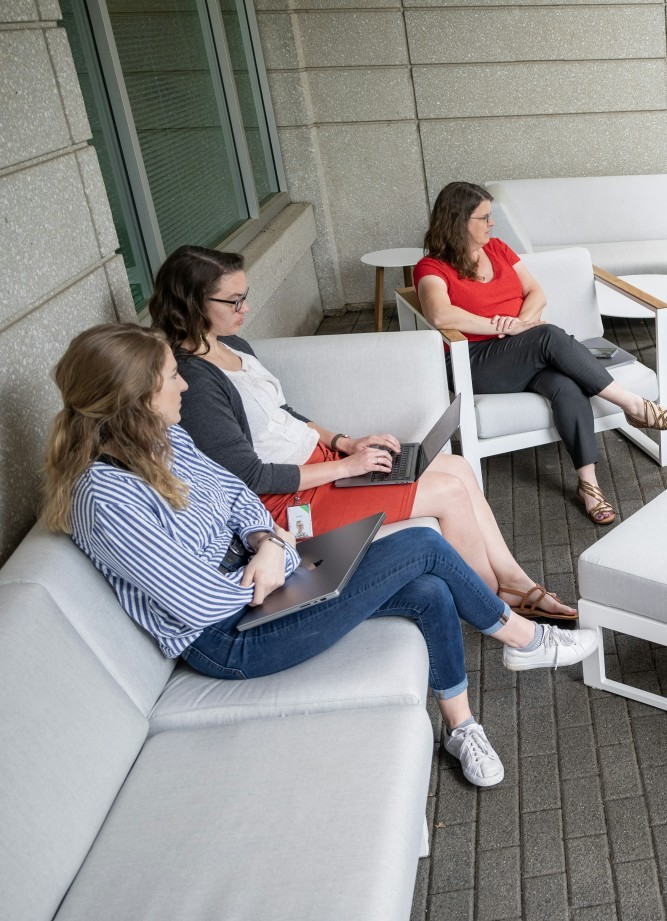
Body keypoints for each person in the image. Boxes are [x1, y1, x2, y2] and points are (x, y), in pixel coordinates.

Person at [41, 324, 601, 787]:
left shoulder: (166, 441)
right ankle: (524, 641)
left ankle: (460, 725)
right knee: (423, 545)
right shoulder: (106, 495)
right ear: (137, 399)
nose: (183, 386)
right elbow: (201, 602)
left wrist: (268, 542)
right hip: (230, 637)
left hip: (268, 586)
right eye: (170, 378)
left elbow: (240, 497)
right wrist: (278, 555)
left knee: (429, 588)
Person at [149, 246, 577, 622]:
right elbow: (251, 478)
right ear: (192, 303)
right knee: (447, 493)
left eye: (246, 297)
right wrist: (349, 467)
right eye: (234, 300)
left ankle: (515, 582)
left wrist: (343, 443)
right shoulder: (194, 381)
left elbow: (283, 413)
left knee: (457, 467)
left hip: (321, 464)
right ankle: (494, 604)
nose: (245, 309)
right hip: (285, 502)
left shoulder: (233, 345)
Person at [414, 181, 667, 525]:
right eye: (484, 217)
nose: (491, 223)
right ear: (458, 221)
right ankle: (634, 405)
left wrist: (520, 324)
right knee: (547, 335)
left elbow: (536, 293)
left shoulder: (498, 249)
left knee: (565, 385)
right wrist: (504, 328)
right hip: (472, 359)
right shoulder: (431, 267)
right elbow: (440, 314)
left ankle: (588, 485)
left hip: (521, 349)